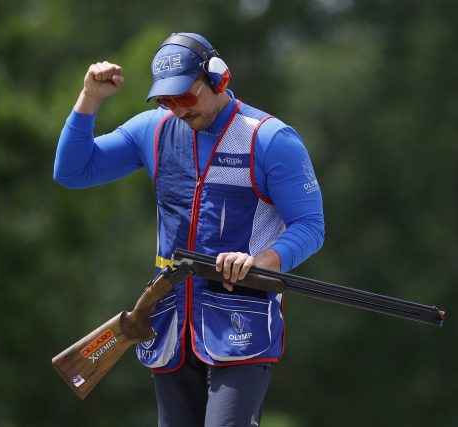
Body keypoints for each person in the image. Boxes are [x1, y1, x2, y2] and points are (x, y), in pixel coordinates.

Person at [54, 32, 324, 427]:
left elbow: (310, 226)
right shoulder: (154, 130)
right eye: (166, 100)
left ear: (219, 79)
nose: (177, 109)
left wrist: (260, 262)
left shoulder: (269, 138)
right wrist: (90, 98)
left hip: (242, 323)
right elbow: (72, 171)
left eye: (185, 96)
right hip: (169, 322)